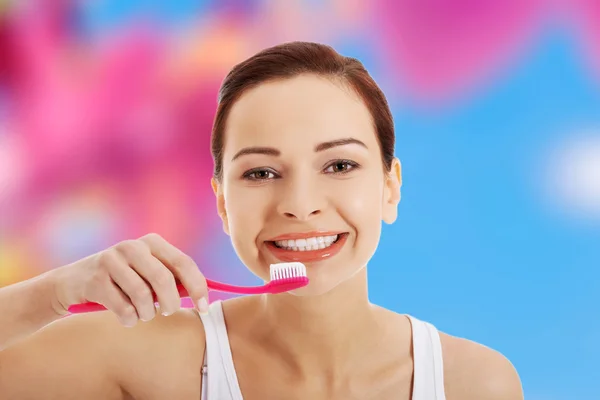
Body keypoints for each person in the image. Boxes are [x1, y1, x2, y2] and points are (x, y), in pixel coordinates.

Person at [0, 41, 523, 400]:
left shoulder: (475, 382)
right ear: (223, 204)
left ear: (390, 186)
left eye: (339, 165)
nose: (300, 203)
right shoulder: (146, 356)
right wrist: (55, 291)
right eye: (261, 172)